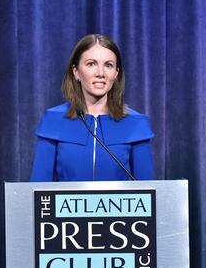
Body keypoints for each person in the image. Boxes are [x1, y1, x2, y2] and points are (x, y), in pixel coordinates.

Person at [30, 34, 154, 181]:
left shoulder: (135, 124)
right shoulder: (54, 120)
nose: (100, 73)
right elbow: (38, 191)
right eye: (91, 64)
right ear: (76, 72)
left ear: (116, 74)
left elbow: (147, 193)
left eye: (108, 65)